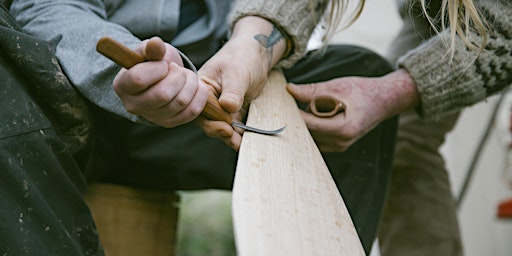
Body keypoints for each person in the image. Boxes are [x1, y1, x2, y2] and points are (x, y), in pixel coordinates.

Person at [6, 0, 397, 255]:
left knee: (357, 77)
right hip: (76, 95)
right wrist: (135, 71)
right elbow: (49, 7)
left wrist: (250, 51)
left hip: (212, 92)